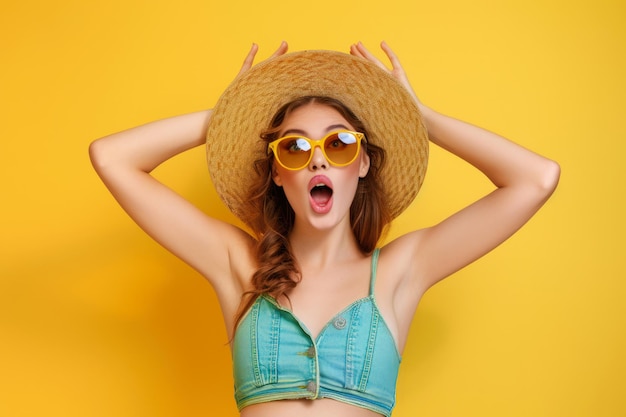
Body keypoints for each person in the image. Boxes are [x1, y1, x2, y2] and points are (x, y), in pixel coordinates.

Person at [89, 41, 560, 417]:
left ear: (362, 164)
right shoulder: (239, 265)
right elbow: (111, 158)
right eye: (295, 148)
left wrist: (423, 118)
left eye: (338, 144)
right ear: (278, 173)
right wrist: (226, 115)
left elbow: (536, 179)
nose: (317, 157)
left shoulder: (400, 271)